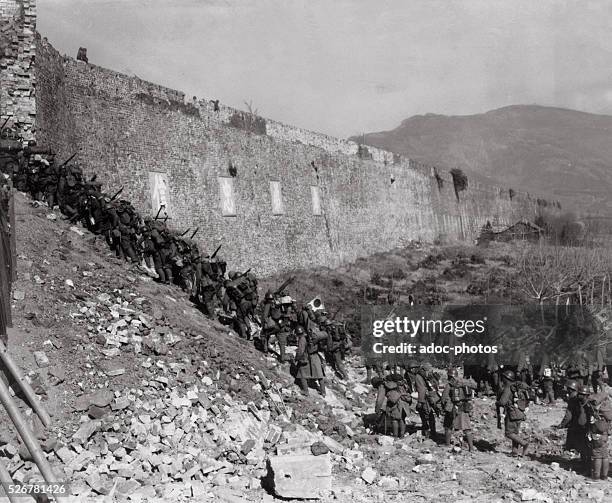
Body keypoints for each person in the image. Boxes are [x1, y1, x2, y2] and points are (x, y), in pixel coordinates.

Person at [497, 369, 530, 457]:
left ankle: (524, 443)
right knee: (515, 434)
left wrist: (497, 402)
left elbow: (502, 402)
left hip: (512, 414)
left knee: (509, 433)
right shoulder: (515, 387)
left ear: (506, 379)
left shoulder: (508, 388)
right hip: (520, 413)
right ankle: (515, 452)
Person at [441, 368, 476, 451]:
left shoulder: (450, 385)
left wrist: (443, 406)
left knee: (448, 426)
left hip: (453, 408)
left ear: (449, 376)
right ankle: (471, 448)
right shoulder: (464, 383)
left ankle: (447, 444)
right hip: (464, 407)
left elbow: (444, 398)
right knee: (467, 428)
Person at [374, 373, 412, 438]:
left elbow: (380, 399)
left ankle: (395, 436)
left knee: (394, 419)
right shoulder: (399, 382)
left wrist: (377, 410)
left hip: (394, 403)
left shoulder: (382, 385)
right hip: (404, 400)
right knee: (402, 418)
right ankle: (402, 435)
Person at [585, 390, 611, 480]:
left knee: (597, 456)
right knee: (605, 455)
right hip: (605, 435)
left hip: (597, 436)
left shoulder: (595, 410)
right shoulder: (606, 410)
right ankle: (604, 476)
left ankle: (596, 477)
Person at [294, 326, 326, 397]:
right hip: (316, 356)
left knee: (302, 373)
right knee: (319, 375)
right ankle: (323, 392)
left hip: (307, 358)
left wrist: (297, 358)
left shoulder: (302, 339)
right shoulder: (311, 338)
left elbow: (301, 351)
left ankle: (305, 391)